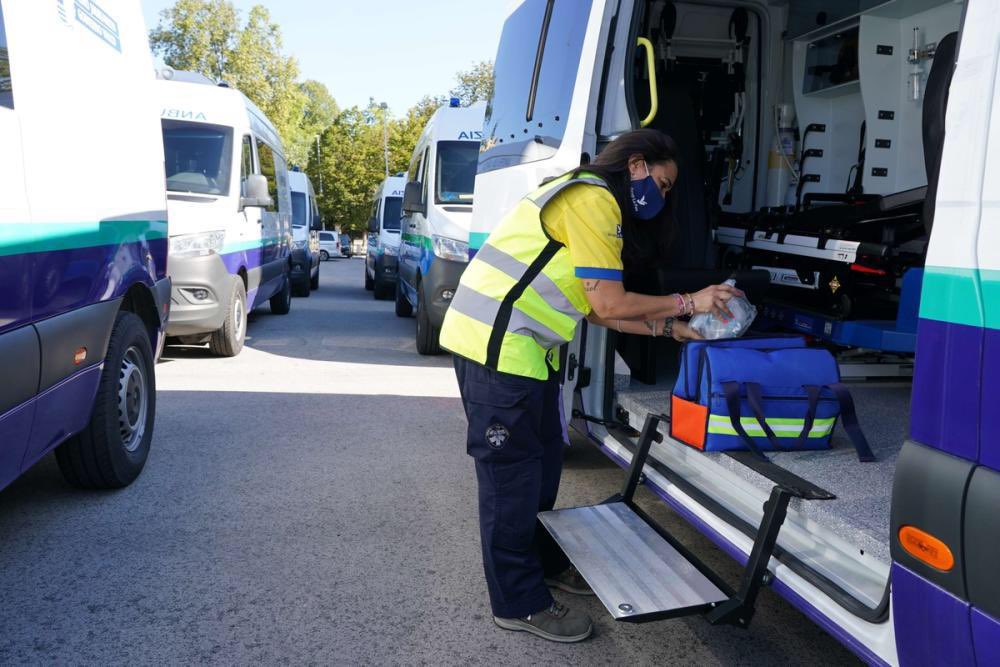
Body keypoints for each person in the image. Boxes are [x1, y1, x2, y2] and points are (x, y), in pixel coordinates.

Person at [438, 129, 741, 643]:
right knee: (512, 481)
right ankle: (519, 602)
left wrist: (669, 328)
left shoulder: (597, 204)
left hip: (526, 353)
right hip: (495, 350)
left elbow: (597, 310)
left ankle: (543, 563)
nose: (662, 197)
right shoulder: (593, 198)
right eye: (663, 185)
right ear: (637, 165)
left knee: (542, 471)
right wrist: (690, 302)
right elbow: (608, 303)